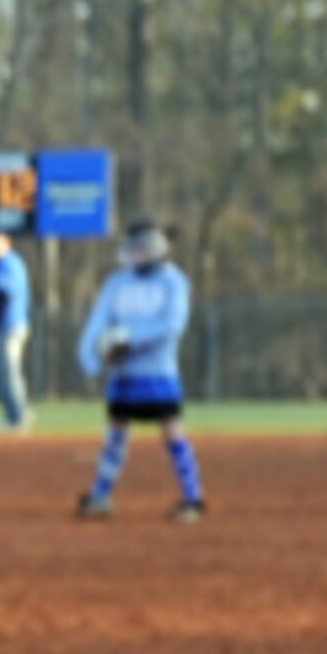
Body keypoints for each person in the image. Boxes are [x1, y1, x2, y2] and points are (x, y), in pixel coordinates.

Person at [74, 218, 204, 522]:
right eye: (131, 247)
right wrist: (91, 359)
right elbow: (98, 324)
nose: (135, 253)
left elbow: (171, 325)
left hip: (159, 375)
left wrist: (129, 338)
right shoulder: (117, 283)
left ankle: (193, 498)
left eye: (141, 247)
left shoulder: (174, 282)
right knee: (116, 430)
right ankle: (100, 496)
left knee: (171, 429)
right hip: (123, 377)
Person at [0, 229, 34, 433]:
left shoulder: (9, 263)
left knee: (9, 372)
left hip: (11, 326)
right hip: (7, 326)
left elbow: (5, 294)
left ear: (7, 242)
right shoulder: (0, 264)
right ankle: (15, 413)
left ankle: (19, 415)